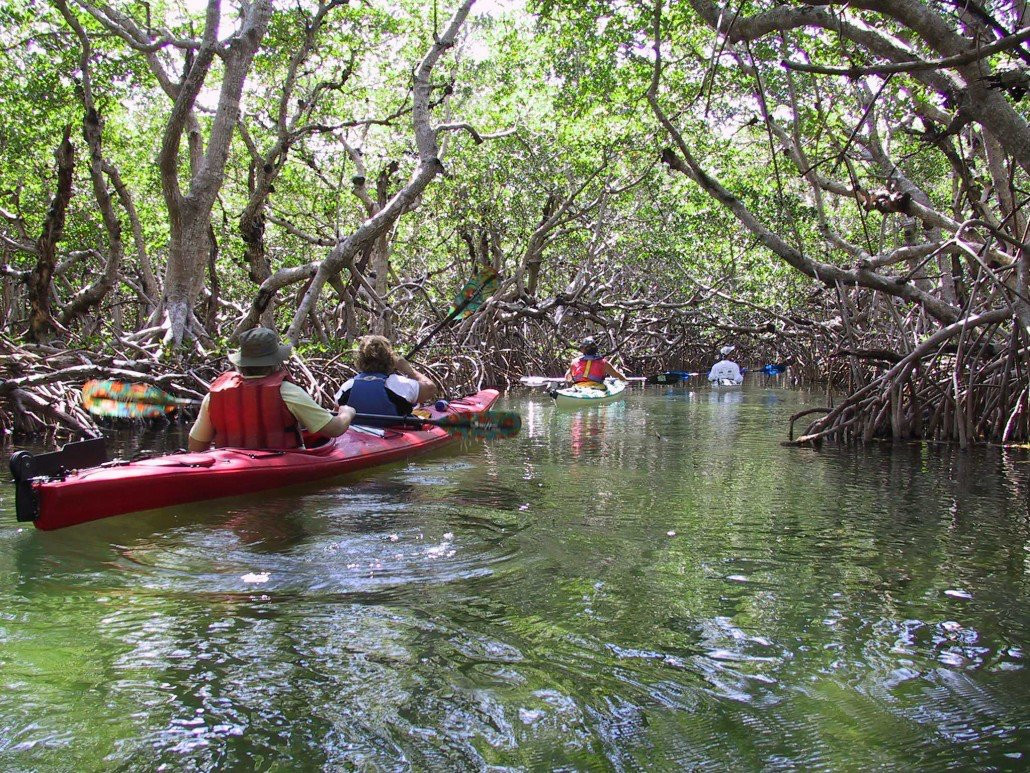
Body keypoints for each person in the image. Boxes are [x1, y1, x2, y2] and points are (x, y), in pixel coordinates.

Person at [188, 327, 355, 452]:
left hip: (230, 465)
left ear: (241, 363)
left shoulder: (214, 396)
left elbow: (196, 447)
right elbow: (334, 429)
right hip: (282, 466)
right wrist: (347, 413)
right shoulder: (287, 392)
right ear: (276, 361)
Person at [336, 334, 436, 416]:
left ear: (360, 360)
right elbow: (431, 388)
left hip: (358, 432)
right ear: (390, 359)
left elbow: (337, 411)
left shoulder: (347, 387)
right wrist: (409, 371)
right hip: (394, 432)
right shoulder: (400, 385)